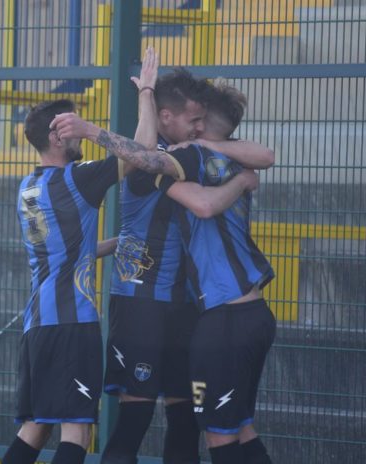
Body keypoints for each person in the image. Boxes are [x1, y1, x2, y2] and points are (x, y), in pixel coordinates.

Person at [5, 98, 202, 464]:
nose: (79, 133)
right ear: (57, 136)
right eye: (73, 126)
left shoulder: (28, 186)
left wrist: (119, 243)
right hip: (71, 324)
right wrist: (143, 94)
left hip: (36, 325)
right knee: (77, 431)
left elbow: (65, 250)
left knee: (35, 427)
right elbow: (141, 152)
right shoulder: (76, 179)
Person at [101, 48, 273, 464]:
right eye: (192, 119)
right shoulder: (159, 159)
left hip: (191, 307)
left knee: (188, 423)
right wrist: (143, 95)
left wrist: (211, 145)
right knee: (137, 419)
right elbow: (145, 159)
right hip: (143, 302)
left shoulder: (201, 153)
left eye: (201, 120)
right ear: (166, 117)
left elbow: (263, 156)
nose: (197, 126)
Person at [154, 78, 277, 464]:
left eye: (196, 119)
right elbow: (266, 155)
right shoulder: (236, 158)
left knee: (219, 435)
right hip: (252, 314)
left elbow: (203, 205)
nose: (191, 124)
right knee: (241, 427)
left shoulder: (192, 156)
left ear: (202, 123)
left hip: (225, 321)